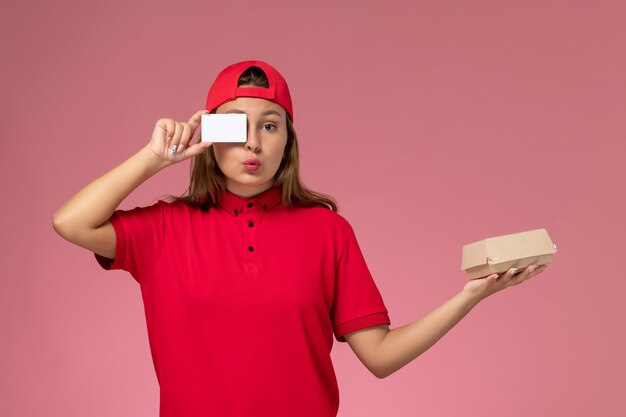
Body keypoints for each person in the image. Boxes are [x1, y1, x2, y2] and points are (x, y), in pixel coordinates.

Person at [52, 60, 549, 417]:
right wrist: (155, 158)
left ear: (288, 138)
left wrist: (470, 297)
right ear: (210, 136)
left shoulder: (327, 231)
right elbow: (71, 223)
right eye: (236, 127)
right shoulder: (165, 228)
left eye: (270, 126)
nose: (252, 143)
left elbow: (380, 357)